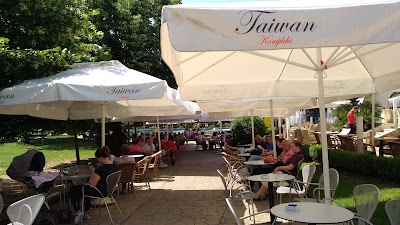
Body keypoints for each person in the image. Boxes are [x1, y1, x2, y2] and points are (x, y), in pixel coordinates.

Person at [70, 146, 119, 224]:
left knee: (74, 189)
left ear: (101, 158)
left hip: (99, 191)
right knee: (84, 188)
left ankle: (78, 211)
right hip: (109, 190)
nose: (97, 161)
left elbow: (91, 185)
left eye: (97, 159)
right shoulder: (114, 166)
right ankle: (87, 211)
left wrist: (93, 172)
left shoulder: (101, 169)